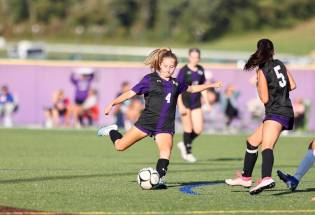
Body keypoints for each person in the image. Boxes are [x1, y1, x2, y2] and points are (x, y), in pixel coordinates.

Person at [97, 48, 222, 188]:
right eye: (166, 66)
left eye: (172, 67)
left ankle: (159, 179)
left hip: (165, 126)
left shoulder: (176, 84)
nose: (169, 69)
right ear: (160, 65)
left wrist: (210, 85)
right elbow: (130, 94)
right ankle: (111, 130)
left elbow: (192, 89)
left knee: (165, 151)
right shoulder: (149, 80)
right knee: (120, 146)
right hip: (146, 123)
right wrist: (112, 103)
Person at [225, 39, 297, 195]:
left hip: (277, 112)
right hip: (283, 110)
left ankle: (266, 178)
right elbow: (292, 85)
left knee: (267, 145)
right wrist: (279, 91)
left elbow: (264, 99)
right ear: (273, 51)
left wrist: (259, 82)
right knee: (252, 142)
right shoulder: (280, 64)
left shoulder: (262, 70)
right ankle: (245, 178)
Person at [176, 48, 212, 163]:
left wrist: (207, 103)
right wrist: (180, 105)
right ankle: (188, 152)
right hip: (185, 101)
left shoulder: (201, 70)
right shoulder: (183, 71)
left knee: (198, 129)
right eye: (193, 57)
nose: (195, 59)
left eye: (197, 57)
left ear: (199, 58)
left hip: (196, 102)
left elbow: (203, 88)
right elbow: (177, 89)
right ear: (189, 57)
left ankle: (184, 143)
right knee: (188, 128)